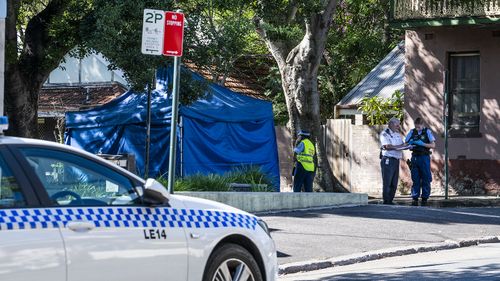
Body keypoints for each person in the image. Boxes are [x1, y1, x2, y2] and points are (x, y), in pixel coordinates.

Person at [405, 117, 435, 206]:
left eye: (419, 127)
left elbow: (433, 145)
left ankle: (425, 197)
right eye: (416, 127)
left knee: (426, 177)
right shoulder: (412, 132)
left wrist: (423, 144)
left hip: (424, 157)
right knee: (415, 178)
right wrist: (409, 144)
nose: (417, 129)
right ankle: (415, 197)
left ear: (423, 125)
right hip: (415, 157)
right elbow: (406, 142)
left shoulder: (427, 132)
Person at [379, 118, 408, 205]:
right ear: (391, 124)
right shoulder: (384, 134)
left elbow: (401, 145)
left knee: (394, 182)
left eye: (399, 124)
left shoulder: (397, 134)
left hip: (396, 160)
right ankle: (386, 200)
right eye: (397, 124)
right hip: (388, 159)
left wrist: (407, 145)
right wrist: (399, 147)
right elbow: (387, 146)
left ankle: (390, 200)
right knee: (387, 181)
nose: (399, 126)